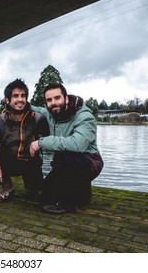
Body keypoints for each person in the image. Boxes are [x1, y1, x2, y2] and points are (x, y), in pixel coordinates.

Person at [30, 82, 104, 214]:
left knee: (67, 156)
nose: (53, 102)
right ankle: (84, 191)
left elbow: (77, 144)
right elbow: (37, 109)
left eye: (57, 98)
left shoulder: (85, 117)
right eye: (49, 100)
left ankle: (69, 202)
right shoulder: (51, 113)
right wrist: (17, 105)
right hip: (62, 162)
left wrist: (40, 142)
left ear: (66, 98)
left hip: (89, 161)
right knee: (44, 197)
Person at [0, 79, 49, 202]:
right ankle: (7, 186)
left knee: (36, 192)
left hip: (31, 163)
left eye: (23, 96)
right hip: (8, 162)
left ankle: (32, 186)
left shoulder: (38, 119)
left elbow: (52, 137)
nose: (20, 99)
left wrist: (40, 143)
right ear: (8, 100)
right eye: (15, 96)